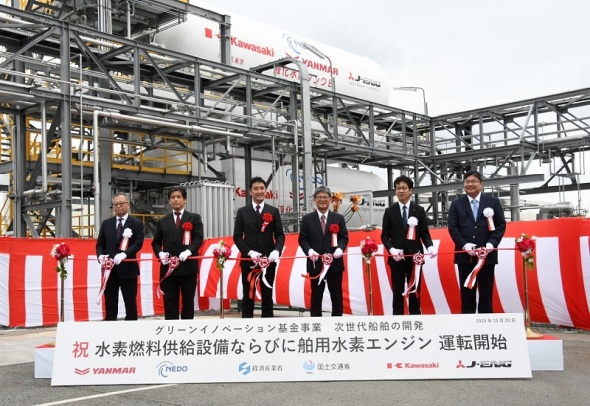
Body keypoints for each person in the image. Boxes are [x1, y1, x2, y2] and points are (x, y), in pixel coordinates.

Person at [448, 170, 506, 314]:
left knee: (486, 294)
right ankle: (468, 324)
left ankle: (486, 324)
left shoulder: (492, 202)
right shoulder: (456, 204)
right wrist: (464, 245)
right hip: (465, 256)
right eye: (467, 182)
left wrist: (491, 244)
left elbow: (500, 225)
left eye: (474, 181)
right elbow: (453, 228)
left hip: (487, 256)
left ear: (481, 184)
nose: (470, 184)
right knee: (466, 294)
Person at [381, 175, 437, 315]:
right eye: (398, 188)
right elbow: (384, 235)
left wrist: (430, 246)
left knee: (415, 290)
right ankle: (398, 320)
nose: (401, 191)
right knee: (397, 291)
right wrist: (391, 250)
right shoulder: (390, 211)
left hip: (415, 257)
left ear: (410, 190)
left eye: (404, 188)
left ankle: (415, 318)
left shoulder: (419, 210)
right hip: (397, 258)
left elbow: (424, 233)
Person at [233, 176, 285, 318]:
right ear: (250, 191)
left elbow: (280, 235)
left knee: (267, 295)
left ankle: (267, 325)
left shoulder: (273, 211)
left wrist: (276, 250)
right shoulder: (242, 212)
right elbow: (237, 236)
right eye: (255, 189)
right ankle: (247, 325)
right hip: (248, 261)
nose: (259, 191)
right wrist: (249, 252)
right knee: (248, 296)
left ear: (266, 191)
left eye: (262, 188)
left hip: (268, 260)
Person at [151, 186, 204, 319]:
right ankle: (171, 328)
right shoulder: (163, 221)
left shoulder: (194, 218)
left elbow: (198, 238)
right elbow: (155, 242)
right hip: (169, 269)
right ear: (169, 201)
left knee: (188, 301)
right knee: (170, 302)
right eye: (173, 197)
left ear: (185, 199)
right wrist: (160, 254)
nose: (176, 200)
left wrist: (189, 251)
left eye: (179, 197)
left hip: (187, 267)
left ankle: (187, 328)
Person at [299, 186, 348, 317]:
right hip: (316, 264)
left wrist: (340, 248)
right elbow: (303, 239)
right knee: (316, 297)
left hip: (335, 264)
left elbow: (343, 238)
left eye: (325, 197)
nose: (322, 200)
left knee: (336, 296)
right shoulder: (307, 219)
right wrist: (309, 251)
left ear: (330, 199)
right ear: (315, 200)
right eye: (319, 197)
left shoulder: (338, 218)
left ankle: (337, 323)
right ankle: (317, 323)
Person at [96, 192, 145, 321]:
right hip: (109, 270)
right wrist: (100, 256)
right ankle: (110, 327)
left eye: (121, 203)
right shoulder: (106, 223)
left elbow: (138, 243)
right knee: (110, 303)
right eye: (116, 204)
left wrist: (124, 254)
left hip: (128, 270)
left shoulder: (136, 223)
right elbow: (100, 244)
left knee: (130, 303)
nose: (118, 206)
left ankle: (131, 328)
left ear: (128, 205)